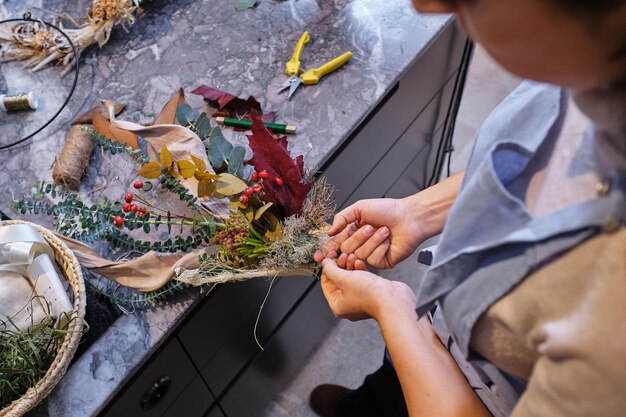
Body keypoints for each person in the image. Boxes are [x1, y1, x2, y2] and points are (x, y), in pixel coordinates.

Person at [310, 0, 626, 416]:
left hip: (478, 397)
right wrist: (420, 212)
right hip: (441, 330)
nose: (424, 5)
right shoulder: (579, 59)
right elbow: (531, 163)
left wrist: (394, 311)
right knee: (377, 397)